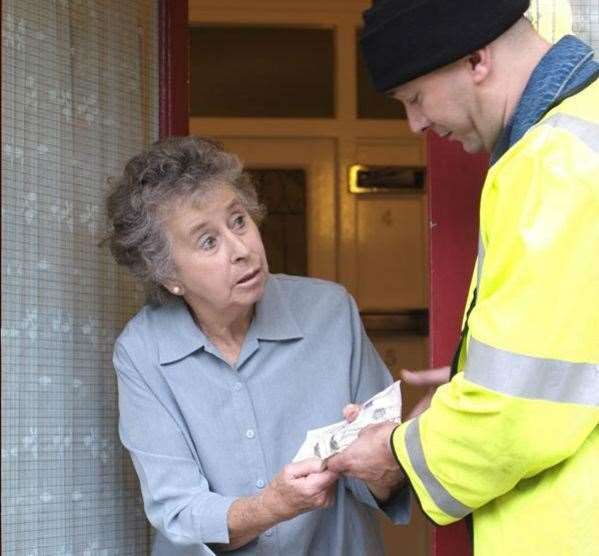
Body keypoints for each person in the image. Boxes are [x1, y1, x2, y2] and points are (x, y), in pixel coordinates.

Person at [328, 1, 599, 555]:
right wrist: (467, 377)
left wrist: (398, 454)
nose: (416, 124)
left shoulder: (557, 161)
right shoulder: (578, 133)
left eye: (415, 98)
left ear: (476, 58)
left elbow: (517, 408)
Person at [105, 136, 409, 555]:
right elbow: (178, 511)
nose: (242, 250)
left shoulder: (330, 311)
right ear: (167, 274)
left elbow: (383, 475)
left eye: (238, 221)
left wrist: (384, 459)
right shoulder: (143, 351)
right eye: (207, 241)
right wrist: (273, 505)